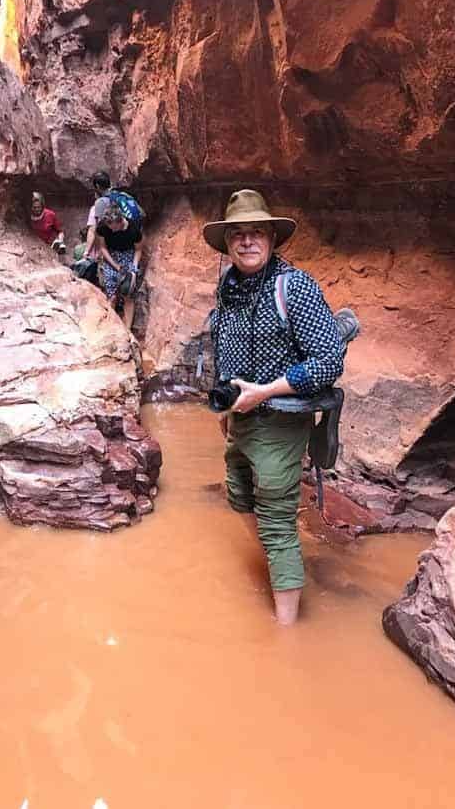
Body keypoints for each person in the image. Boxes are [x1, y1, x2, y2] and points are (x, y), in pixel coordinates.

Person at [203, 189, 345, 626]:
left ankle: (286, 637)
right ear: (227, 244)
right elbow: (224, 351)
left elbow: (328, 362)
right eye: (238, 235)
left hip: (279, 423)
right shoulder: (228, 289)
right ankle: (278, 565)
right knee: (239, 495)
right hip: (240, 420)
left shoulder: (294, 287)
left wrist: (264, 391)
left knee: (278, 520)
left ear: (272, 238)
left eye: (256, 233)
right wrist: (228, 412)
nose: (247, 242)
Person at [96, 204, 142, 329]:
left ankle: (127, 329)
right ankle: (111, 326)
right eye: (108, 226)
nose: (111, 230)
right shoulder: (103, 227)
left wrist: (134, 267)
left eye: (113, 226)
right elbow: (103, 248)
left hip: (128, 255)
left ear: (120, 221)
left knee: (128, 293)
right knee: (112, 295)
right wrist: (115, 266)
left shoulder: (133, 229)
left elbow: (138, 250)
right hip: (111, 256)